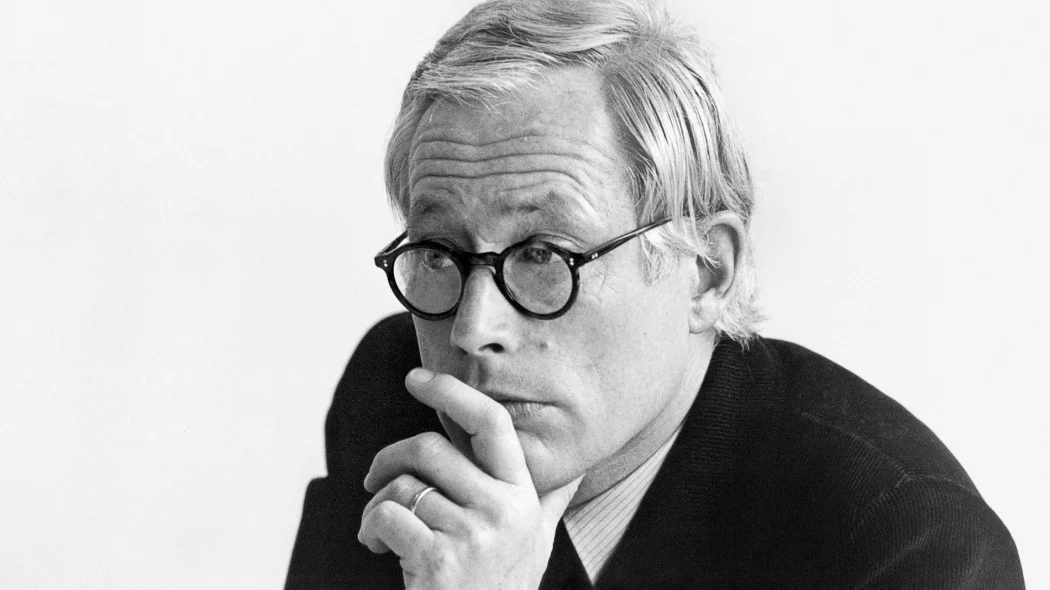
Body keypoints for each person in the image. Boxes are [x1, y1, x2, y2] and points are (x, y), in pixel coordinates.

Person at [286, 0, 1024, 587]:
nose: (473, 329)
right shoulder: (393, 393)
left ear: (706, 271)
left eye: (545, 254)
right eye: (440, 252)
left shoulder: (910, 545)